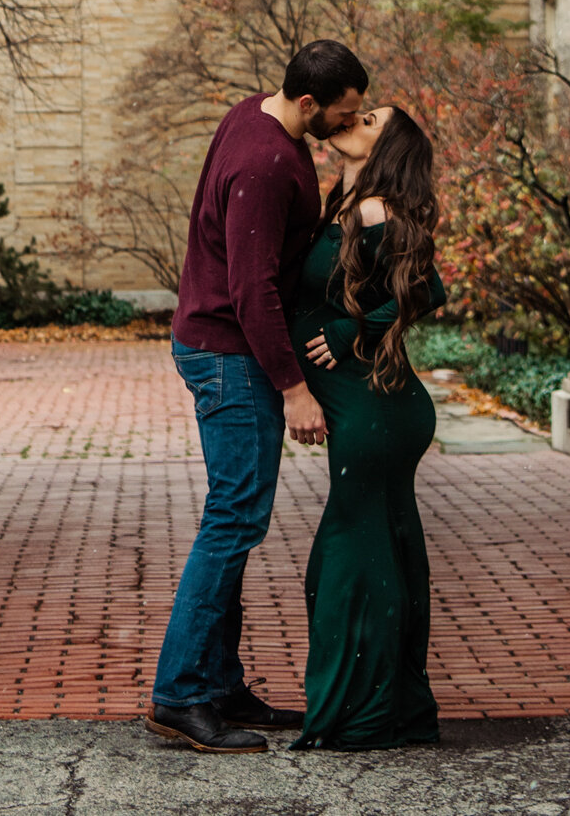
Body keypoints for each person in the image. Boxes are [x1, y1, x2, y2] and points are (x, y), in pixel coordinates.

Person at [148, 39, 368, 754]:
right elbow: (251, 289)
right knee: (234, 515)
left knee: (235, 516)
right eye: (344, 112)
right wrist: (295, 388)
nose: (348, 121)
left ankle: (218, 684)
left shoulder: (254, 115)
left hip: (219, 346)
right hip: (227, 355)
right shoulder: (268, 161)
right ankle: (181, 693)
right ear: (309, 103)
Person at [289, 104, 446, 750]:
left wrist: (360, 328)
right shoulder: (347, 200)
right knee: (381, 552)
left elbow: (427, 287)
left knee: (348, 561)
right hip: (376, 406)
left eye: (371, 119)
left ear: (388, 146)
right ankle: (395, 707)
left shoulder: (377, 207)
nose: (355, 118)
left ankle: (360, 714)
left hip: (377, 409)